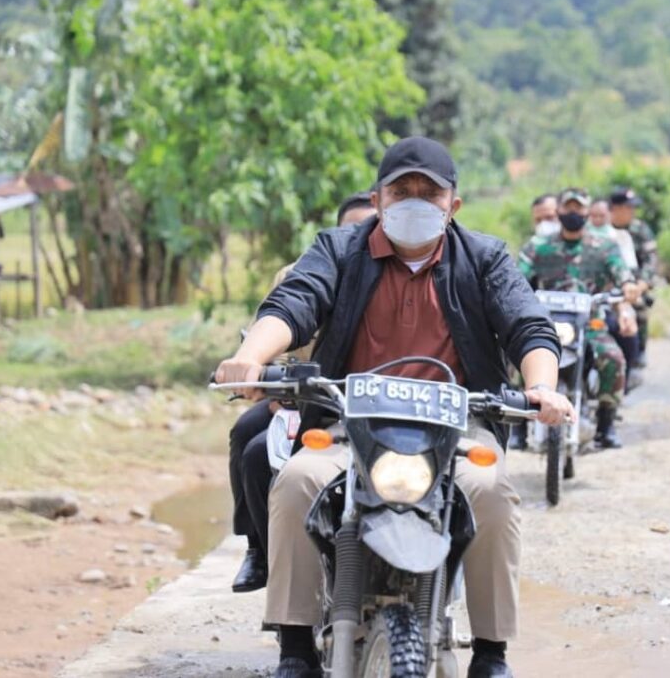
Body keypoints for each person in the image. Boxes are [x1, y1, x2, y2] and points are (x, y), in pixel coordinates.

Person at [215, 136, 572, 678]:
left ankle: (493, 651)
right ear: (378, 200)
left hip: (460, 427)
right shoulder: (338, 250)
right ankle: (294, 646)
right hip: (347, 423)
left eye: (428, 193)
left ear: (453, 205)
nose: (414, 201)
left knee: (492, 491)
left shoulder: (485, 257)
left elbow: (529, 326)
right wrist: (249, 356)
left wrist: (542, 386)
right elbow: (295, 302)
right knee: (297, 481)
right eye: (401, 190)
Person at [227, 191, 376, 595]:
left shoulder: (400, 275)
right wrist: (258, 368)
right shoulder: (301, 273)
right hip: (309, 397)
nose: (362, 237)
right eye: (352, 230)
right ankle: (260, 550)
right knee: (251, 444)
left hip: (381, 405)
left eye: (371, 227)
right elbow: (278, 325)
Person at [518, 206, 640, 449]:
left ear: (586, 212)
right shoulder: (540, 245)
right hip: (545, 324)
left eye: (579, 208)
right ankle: (517, 428)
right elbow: (517, 274)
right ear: (559, 211)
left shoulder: (603, 246)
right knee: (514, 359)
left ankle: (606, 426)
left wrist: (627, 285)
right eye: (568, 207)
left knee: (613, 359)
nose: (573, 213)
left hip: (590, 324)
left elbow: (620, 270)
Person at [587, 199, 640, 387]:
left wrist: (624, 301)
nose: (597, 220)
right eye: (593, 216)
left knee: (626, 333)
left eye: (602, 215)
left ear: (610, 215)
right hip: (574, 306)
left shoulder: (619, 239)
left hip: (608, 300)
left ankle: (618, 389)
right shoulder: (577, 239)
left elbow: (625, 273)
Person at [609, 187, 657, 367]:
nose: (632, 212)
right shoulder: (602, 228)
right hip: (605, 285)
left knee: (640, 309)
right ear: (615, 208)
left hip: (634, 285)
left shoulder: (639, 229)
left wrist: (642, 284)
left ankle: (639, 352)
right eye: (628, 207)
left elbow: (651, 259)